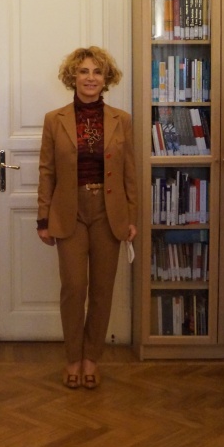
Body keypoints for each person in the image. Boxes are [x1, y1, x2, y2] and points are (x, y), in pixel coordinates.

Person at [37, 46, 138, 390]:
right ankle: (72, 358)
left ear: (106, 78)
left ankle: (92, 358)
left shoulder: (121, 119)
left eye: (97, 72)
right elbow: (46, 171)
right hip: (70, 212)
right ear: (72, 77)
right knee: (74, 288)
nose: (90, 78)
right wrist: (42, 217)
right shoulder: (55, 119)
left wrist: (132, 216)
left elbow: (129, 173)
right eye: (83, 71)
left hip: (110, 213)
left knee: (102, 289)